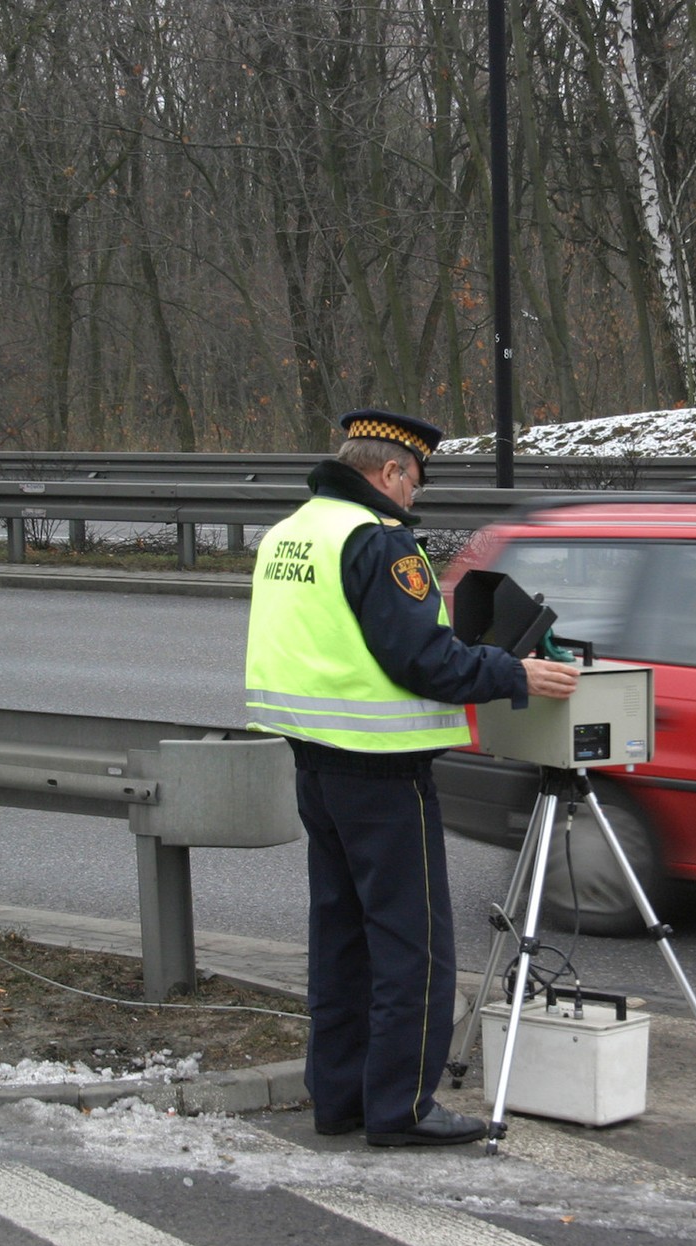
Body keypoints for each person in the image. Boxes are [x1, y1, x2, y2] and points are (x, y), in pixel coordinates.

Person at [245, 407, 580, 1147]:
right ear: (392, 471)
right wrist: (513, 672)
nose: (414, 497)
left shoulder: (294, 531)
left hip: (317, 763)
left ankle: (339, 1099)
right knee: (412, 949)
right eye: (414, 481)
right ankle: (402, 1110)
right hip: (382, 773)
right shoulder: (378, 540)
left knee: (341, 942)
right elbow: (420, 659)